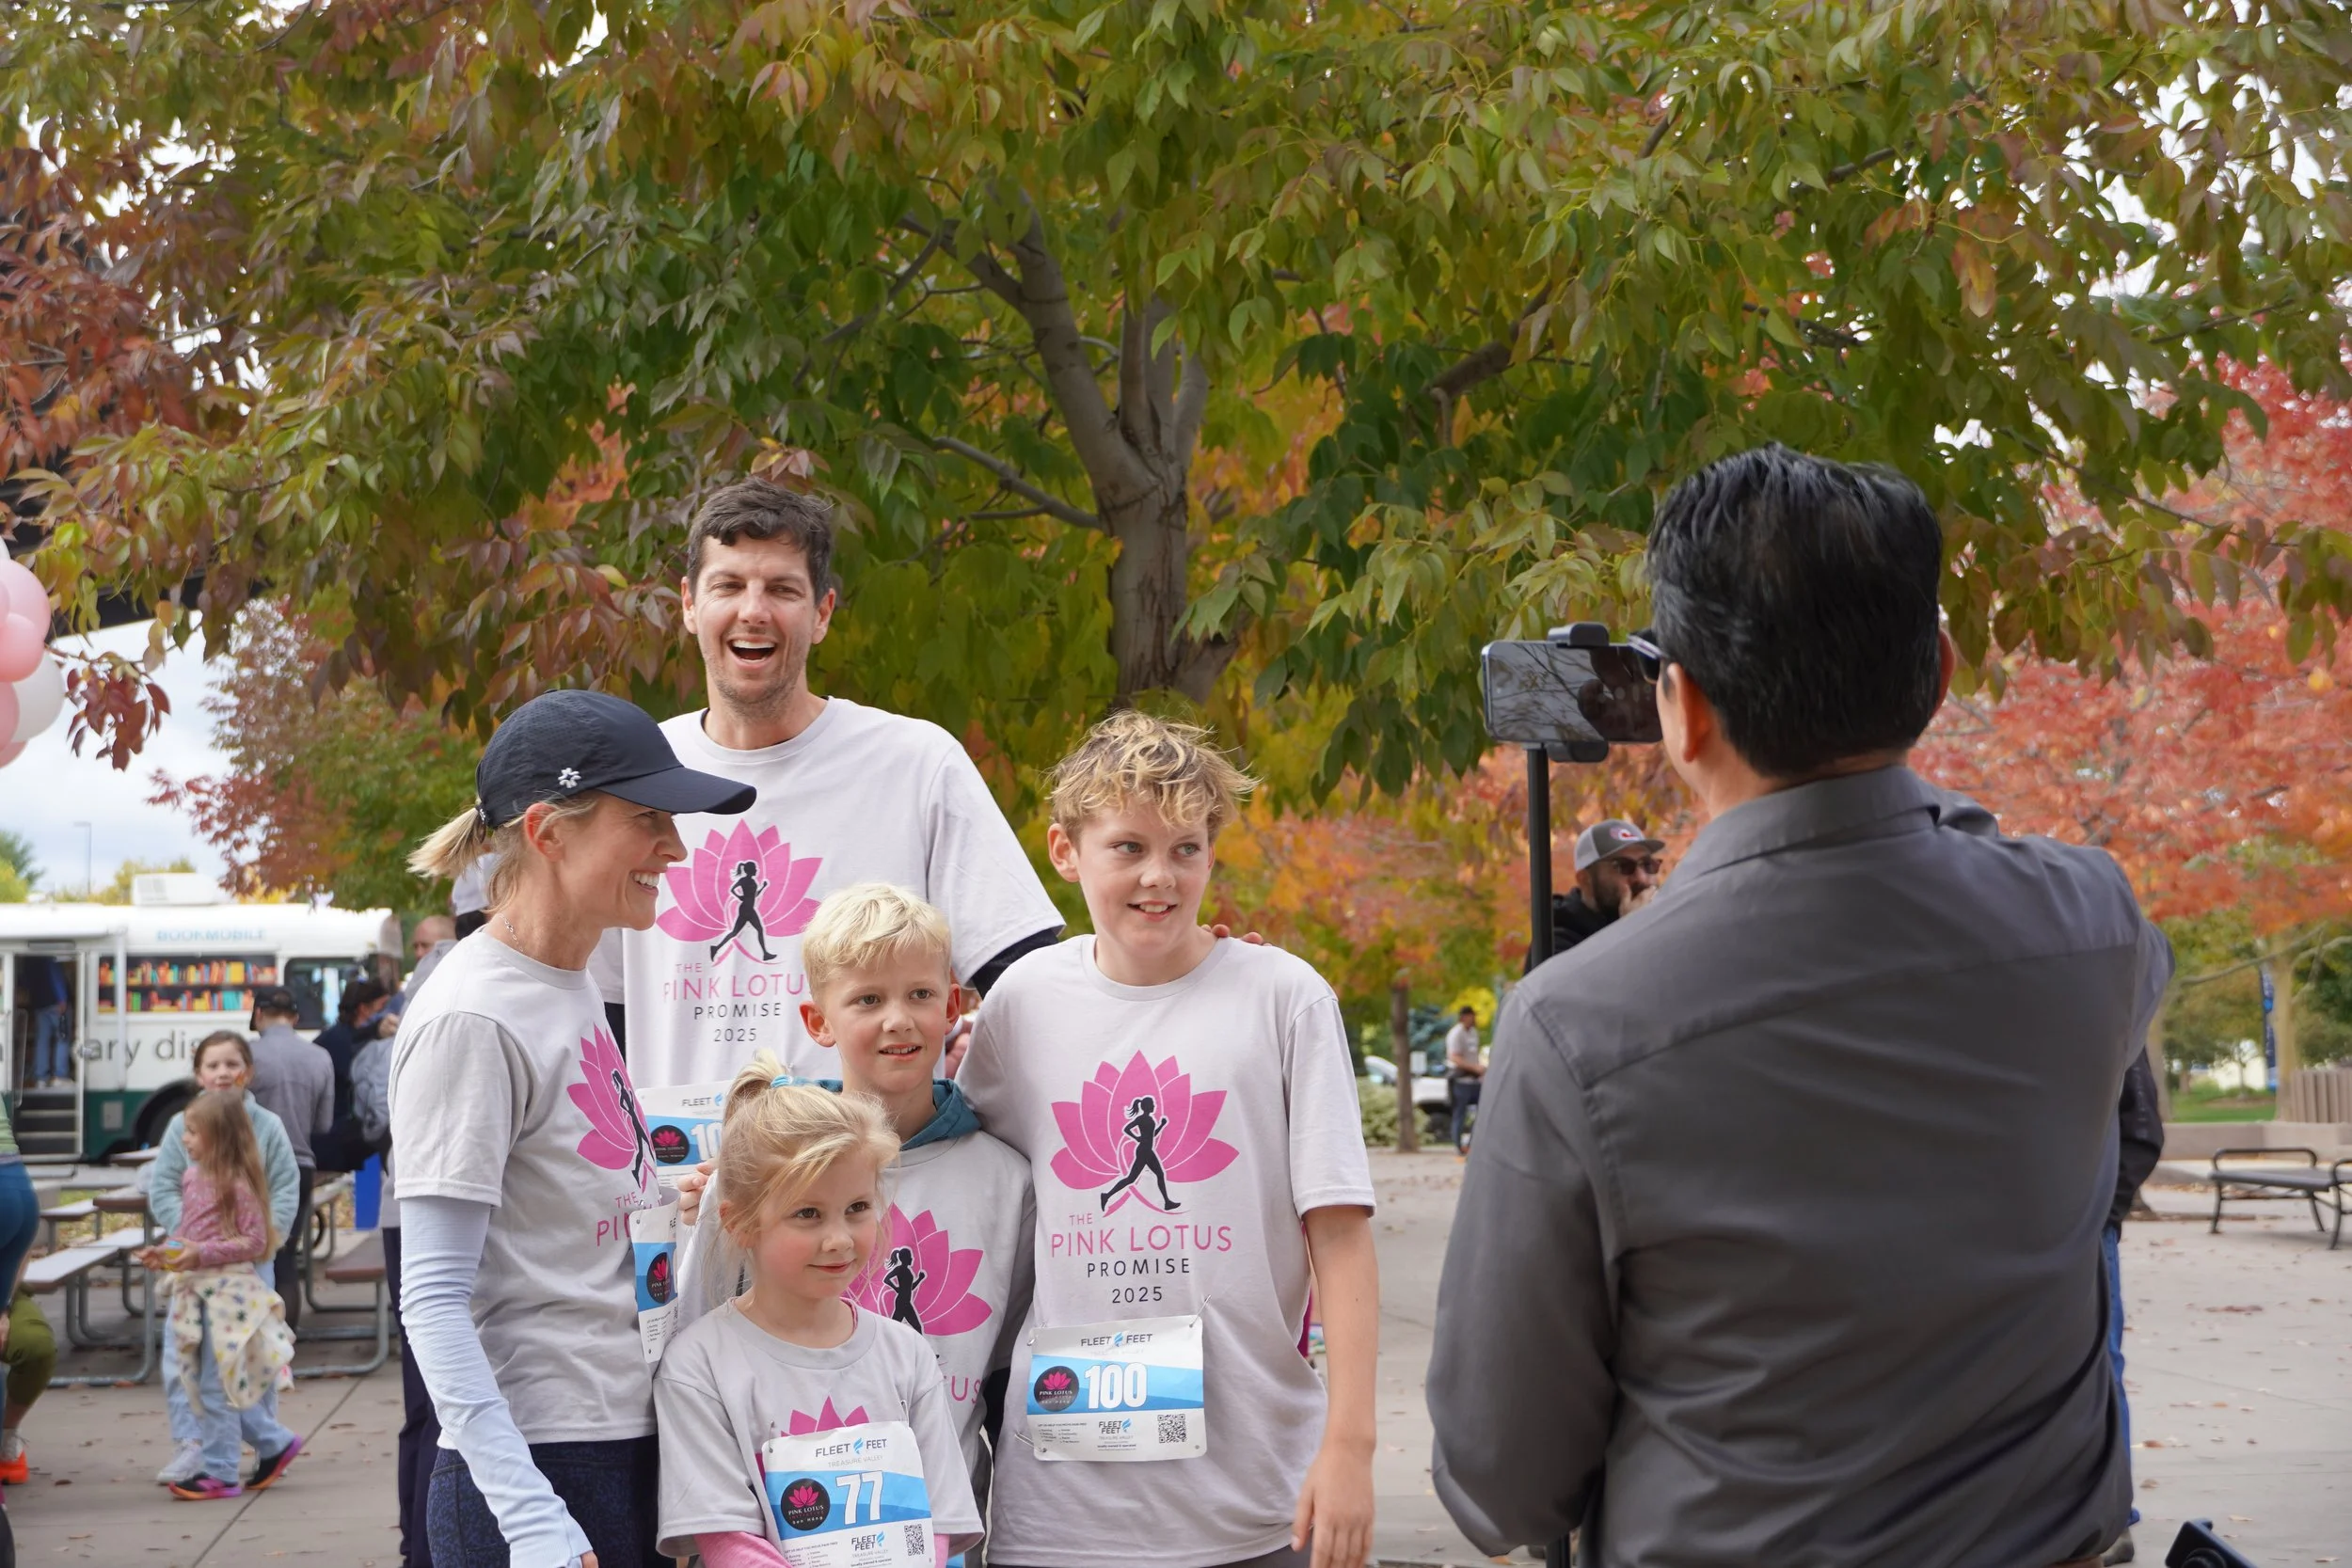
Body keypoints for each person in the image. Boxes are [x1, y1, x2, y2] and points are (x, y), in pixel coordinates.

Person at [1428, 444, 2171, 1568]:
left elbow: (1500, 1481)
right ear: (1938, 672)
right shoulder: (2092, 925)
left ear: (1679, 710)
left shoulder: (1575, 1024)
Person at [959, 711, 1379, 1568]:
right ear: (1065, 850)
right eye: (1129, 847)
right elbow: (960, 1175)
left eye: (1187, 848)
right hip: (1061, 1511)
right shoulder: (1022, 1003)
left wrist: (1351, 1448)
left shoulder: (1284, 996)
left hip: (1255, 1499)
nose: (1160, 876)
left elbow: (1340, 1236)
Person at [392, 687, 755, 1568]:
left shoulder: (571, 979)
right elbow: (432, 1300)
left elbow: (556, 1211)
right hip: (540, 1474)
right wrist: (533, 1520)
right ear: (550, 831)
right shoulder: (472, 1016)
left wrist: (676, 1198)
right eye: (647, 819)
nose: (675, 846)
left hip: (620, 1441)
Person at [594, 479, 1063, 1085]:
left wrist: (1181, 965)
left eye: (783, 590)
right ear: (689, 604)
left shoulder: (916, 763)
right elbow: (598, 1016)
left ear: (821, 613)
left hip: (877, 1173)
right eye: (728, 585)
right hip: (684, 1177)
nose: (753, 610)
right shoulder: (639, 773)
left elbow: (1027, 980)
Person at [675, 882, 1033, 1502]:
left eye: (919, 994)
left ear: (952, 1005)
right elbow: (693, 1358)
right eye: (868, 998)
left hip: (936, 1534)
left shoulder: (1007, 1181)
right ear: (818, 1020)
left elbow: (1006, 1385)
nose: (898, 1018)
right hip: (779, 1528)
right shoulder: (754, 1168)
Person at [654, 1066, 984, 1568]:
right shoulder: (697, 1366)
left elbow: (938, 1523)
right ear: (740, 1221)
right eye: (807, 1214)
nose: (839, 1239)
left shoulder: (908, 1354)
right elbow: (727, 1541)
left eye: (857, 1207)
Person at [149, 1031, 304, 1491]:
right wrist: (192, 1242)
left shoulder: (266, 1126)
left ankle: (264, 1445)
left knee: (247, 1359)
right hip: (195, 1269)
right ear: (199, 1074)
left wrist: (258, 1245)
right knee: (185, 1359)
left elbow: (283, 1190)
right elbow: (163, 1188)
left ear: (247, 1071)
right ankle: (195, 1445)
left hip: (246, 1269)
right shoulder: (183, 1126)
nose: (222, 1072)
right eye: (212, 1065)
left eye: (231, 1063)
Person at [2101, 1050, 2166, 1566]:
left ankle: (2112, 1520)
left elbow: (2142, 1130)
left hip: (2083, 1230)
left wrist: (2103, 1212)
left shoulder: (2114, 1009)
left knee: (2100, 1366)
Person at [245, 985, 332, 1331]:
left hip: (250, 1166)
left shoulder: (245, 1056)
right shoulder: (320, 1057)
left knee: (249, 1256)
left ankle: (251, 1340)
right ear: (295, 1018)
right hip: (299, 1165)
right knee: (284, 1257)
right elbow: (323, 1124)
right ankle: (286, 1343)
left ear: (258, 1015)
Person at [1537, 820, 1663, 964]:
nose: (1641, 878)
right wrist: (1631, 930)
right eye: (1623, 866)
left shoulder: (1662, 924)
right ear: (1585, 880)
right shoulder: (1554, 944)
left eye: (1647, 865)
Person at [312, 978, 392, 1175]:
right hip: (336, 1139)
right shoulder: (349, 1045)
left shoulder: (333, 1038)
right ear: (364, 1009)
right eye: (382, 1007)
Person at [0, 1293, 56, 1486]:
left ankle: (6, 1433)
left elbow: (16, 1262)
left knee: (34, 1344)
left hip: (5, 1290)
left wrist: (2, 1309)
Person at [1442, 1007, 1483, 1155]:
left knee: (1482, 1110)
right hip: (1460, 1079)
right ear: (1463, 1017)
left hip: (1474, 1079)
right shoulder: (1456, 1034)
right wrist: (1473, 1067)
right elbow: (1455, 1057)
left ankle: (1473, 1142)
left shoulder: (1473, 1033)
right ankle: (1458, 1145)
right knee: (1460, 1113)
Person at [26, 959, 71, 1089]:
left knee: (42, 1041)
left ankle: (41, 1077)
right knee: (62, 1038)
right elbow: (55, 975)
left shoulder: (31, 962)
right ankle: (60, 1076)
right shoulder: (51, 957)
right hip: (56, 1005)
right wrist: (62, 998)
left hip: (40, 1005)